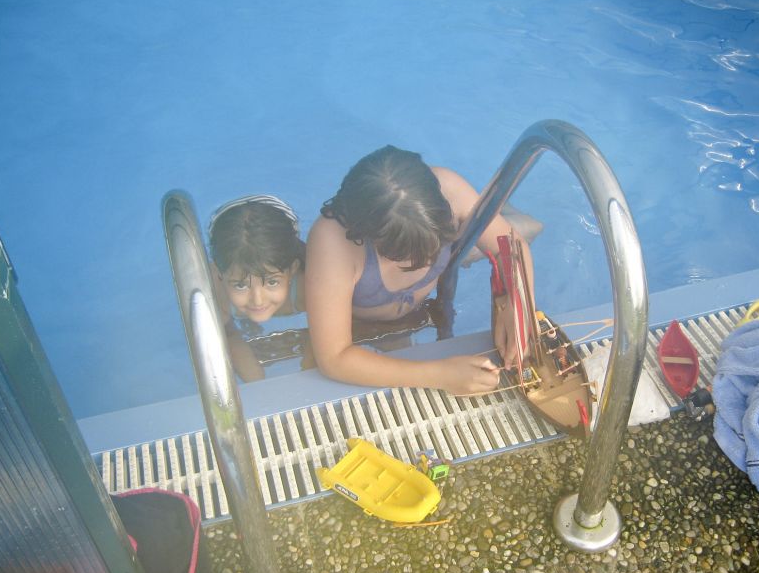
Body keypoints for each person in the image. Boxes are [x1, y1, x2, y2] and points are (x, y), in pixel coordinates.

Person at [305, 145, 535, 396]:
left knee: (531, 229)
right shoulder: (332, 243)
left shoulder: (450, 189)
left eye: (434, 250)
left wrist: (517, 304)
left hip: (425, 304)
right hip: (367, 326)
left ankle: (492, 224)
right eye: (407, 258)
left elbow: (510, 247)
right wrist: (440, 375)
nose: (426, 263)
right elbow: (334, 358)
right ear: (367, 236)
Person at [208, 195, 306, 382]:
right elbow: (228, 335)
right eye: (241, 285)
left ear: (292, 269)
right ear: (221, 275)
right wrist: (258, 383)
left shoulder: (306, 288)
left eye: (272, 282)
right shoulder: (216, 290)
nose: (258, 300)